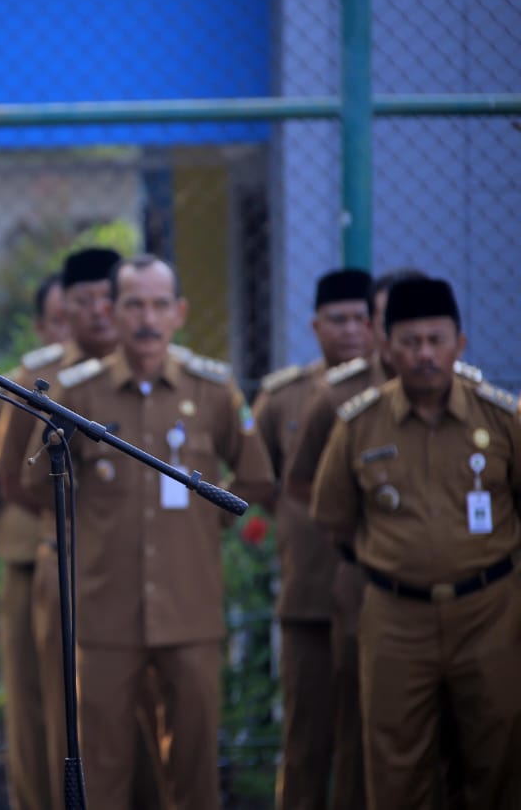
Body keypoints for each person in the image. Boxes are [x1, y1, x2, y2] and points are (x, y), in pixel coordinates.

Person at [21, 254, 275, 810]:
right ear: (111, 312)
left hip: (190, 610)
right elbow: (35, 483)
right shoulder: (79, 392)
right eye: (134, 304)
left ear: (179, 312)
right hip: (105, 612)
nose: (147, 319)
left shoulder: (212, 389)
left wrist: (200, 528)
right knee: (101, 768)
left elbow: (253, 474)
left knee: (193, 768)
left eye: (161, 304)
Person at [310, 277, 521, 809]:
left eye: (435, 339)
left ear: (460, 344)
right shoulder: (359, 423)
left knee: (498, 752)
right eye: (409, 341)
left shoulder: (501, 419)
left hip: (490, 613)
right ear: (385, 346)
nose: (424, 353)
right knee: (396, 760)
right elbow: (333, 518)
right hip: (395, 619)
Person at [251, 268, 372, 810]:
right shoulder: (283, 397)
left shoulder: (390, 392)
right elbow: (265, 480)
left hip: (381, 595)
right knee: (306, 740)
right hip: (310, 597)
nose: (351, 330)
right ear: (315, 325)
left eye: (362, 319)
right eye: (338, 319)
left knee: (372, 741)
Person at [0, 272, 69, 810]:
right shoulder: (25, 384)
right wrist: (29, 525)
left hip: (107, 569)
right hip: (33, 568)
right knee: (33, 708)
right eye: (63, 318)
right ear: (42, 325)